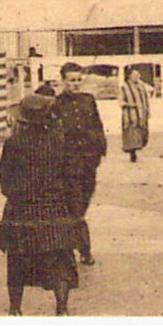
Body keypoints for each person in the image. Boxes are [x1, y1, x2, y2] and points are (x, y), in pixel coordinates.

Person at [0, 93, 87, 316]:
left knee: (16, 259)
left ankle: (15, 308)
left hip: (21, 208)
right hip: (55, 207)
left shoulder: (13, 143)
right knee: (60, 260)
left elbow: (4, 179)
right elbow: (73, 178)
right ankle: (61, 308)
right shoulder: (60, 141)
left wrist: (17, 195)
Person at [50, 62, 105, 265]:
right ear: (63, 80)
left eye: (78, 80)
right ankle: (83, 250)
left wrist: (98, 153)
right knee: (74, 208)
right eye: (71, 80)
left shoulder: (88, 100)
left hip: (88, 164)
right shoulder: (55, 104)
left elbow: (98, 126)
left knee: (81, 206)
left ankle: (77, 246)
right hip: (68, 165)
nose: (75, 84)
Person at [119, 66, 151, 164]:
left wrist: (148, 110)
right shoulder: (124, 87)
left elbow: (148, 96)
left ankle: (137, 147)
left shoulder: (142, 86)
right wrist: (130, 104)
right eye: (134, 75)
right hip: (131, 115)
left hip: (142, 114)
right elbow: (120, 101)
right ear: (129, 76)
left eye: (138, 75)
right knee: (132, 134)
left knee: (143, 134)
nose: (137, 77)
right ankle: (132, 152)